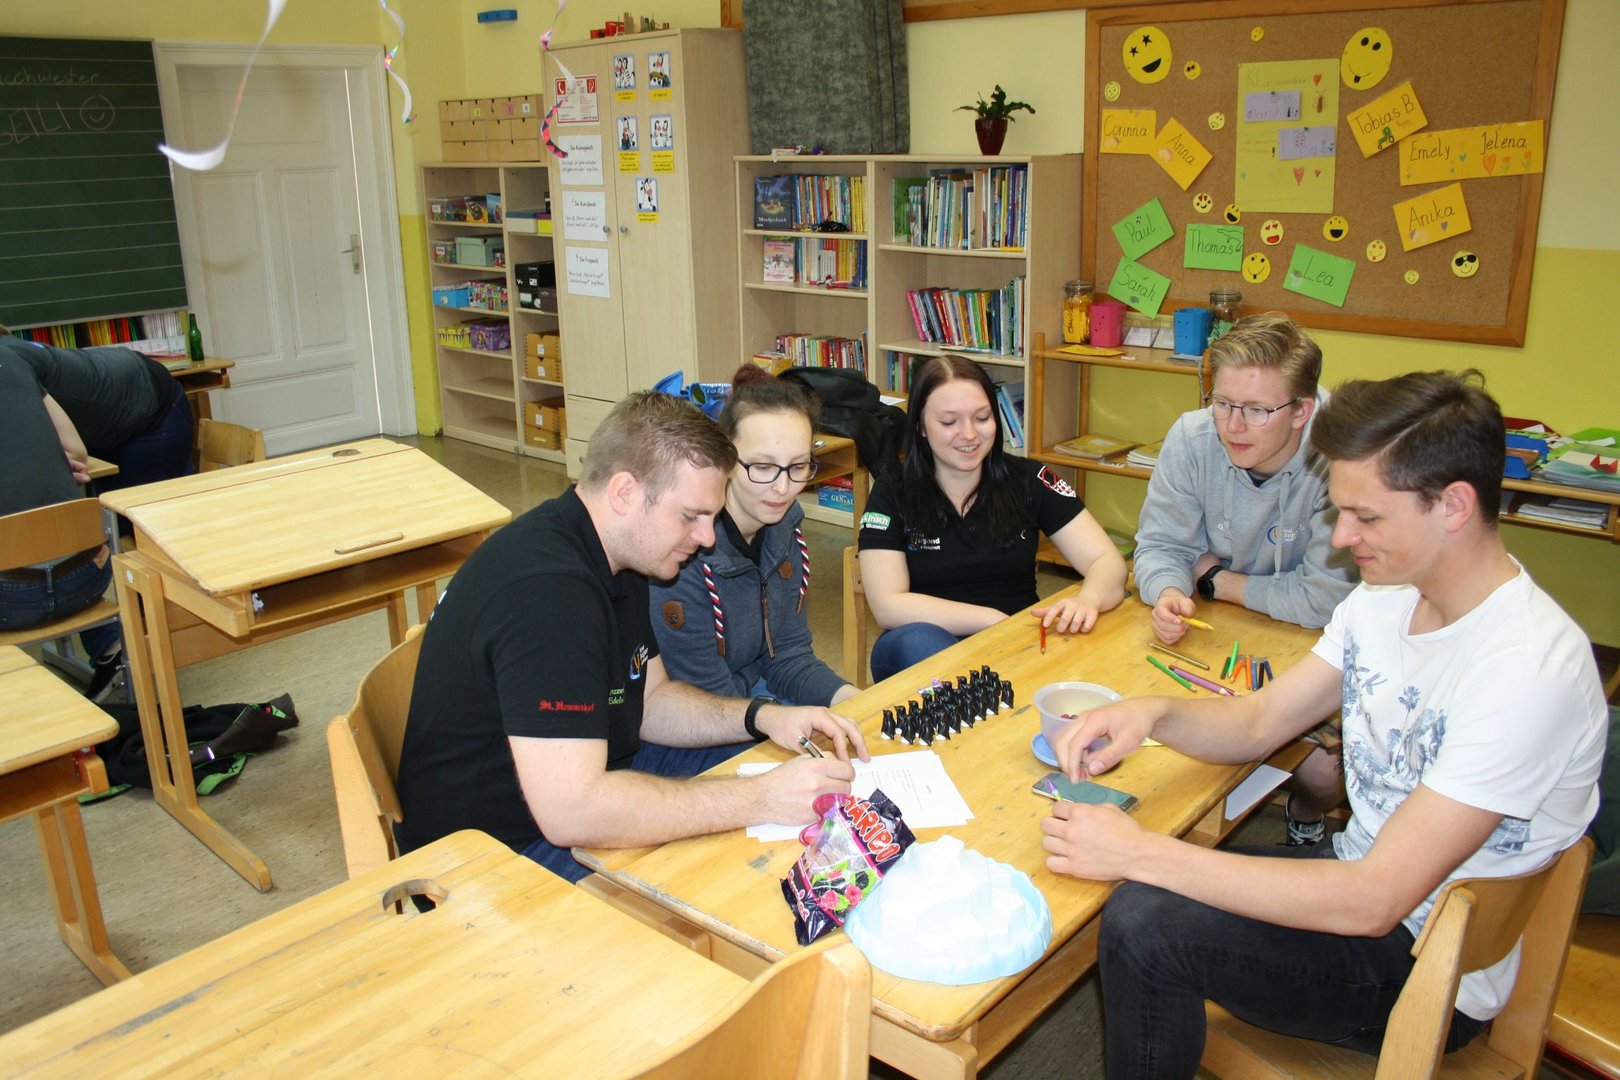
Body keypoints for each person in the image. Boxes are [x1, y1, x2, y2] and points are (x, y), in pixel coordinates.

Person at [1043, 370, 1606, 1079]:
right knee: (1146, 897)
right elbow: (1259, 722)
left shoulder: (1528, 670)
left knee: (1145, 921)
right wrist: (1151, 711)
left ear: (1454, 505)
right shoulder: (1386, 597)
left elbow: (1374, 901)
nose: (1342, 537)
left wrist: (1139, 854)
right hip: (1365, 885)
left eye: (1366, 517)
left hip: (1429, 969)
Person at [395, 390, 869, 882]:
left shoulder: (624, 553)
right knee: (741, 866)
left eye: (711, 517)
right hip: (490, 857)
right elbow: (572, 811)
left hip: (586, 779)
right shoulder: (548, 594)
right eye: (690, 516)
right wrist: (759, 798)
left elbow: (653, 700)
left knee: (767, 777)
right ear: (624, 493)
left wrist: (763, 715)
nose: (707, 538)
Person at [1132, 312, 1357, 844]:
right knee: (1163, 732)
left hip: (1313, 641)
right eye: (1222, 402)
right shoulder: (1192, 437)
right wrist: (1169, 589)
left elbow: (1324, 600)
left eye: (1256, 410)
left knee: (1324, 773)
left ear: (1302, 411)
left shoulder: (1341, 457)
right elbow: (1161, 546)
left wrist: (1214, 579)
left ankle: (1304, 814)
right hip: (1216, 632)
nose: (1232, 426)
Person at [858, 355, 1127, 684]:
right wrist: (991, 620)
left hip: (1016, 642)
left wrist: (1088, 599)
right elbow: (888, 606)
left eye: (982, 417)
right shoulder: (893, 490)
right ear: (921, 427)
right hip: (926, 644)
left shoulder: (1029, 480)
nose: (969, 434)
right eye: (949, 422)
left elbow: (1107, 562)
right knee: (925, 646)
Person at [651, 365, 858, 708]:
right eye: (762, 467)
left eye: (798, 466)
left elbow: (789, 657)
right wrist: (777, 722)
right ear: (725, 459)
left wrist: (855, 701)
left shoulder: (785, 527)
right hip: (693, 712)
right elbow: (706, 703)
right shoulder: (684, 551)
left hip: (750, 691)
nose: (783, 488)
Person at [0, 349, 121, 697]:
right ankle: (110, 646)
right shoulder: (13, 359)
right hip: (85, 581)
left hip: (10, 601)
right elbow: (78, 451)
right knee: (56, 539)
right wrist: (44, 457)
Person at [1, 337, 195, 497]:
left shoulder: (9, 364)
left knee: (141, 517)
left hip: (148, 409)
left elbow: (74, 454)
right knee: (112, 517)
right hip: (105, 417)